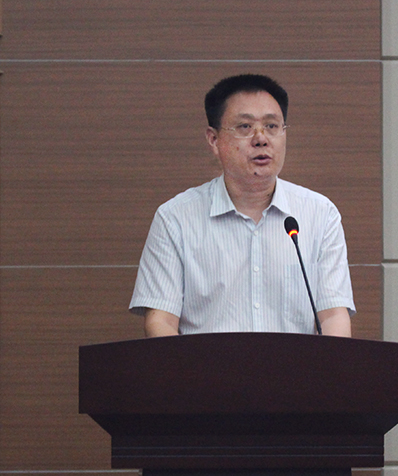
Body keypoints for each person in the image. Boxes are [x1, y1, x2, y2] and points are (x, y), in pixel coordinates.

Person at [129, 74, 355, 337]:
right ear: (214, 140)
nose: (261, 139)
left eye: (272, 126)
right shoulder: (175, 218)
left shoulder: (320, 214)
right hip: (206, 365)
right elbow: (161, 322)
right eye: (245, 127)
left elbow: (333, 317)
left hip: (295, 366)